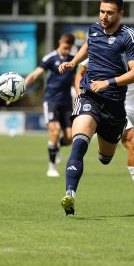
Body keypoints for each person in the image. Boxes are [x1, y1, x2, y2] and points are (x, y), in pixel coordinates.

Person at [58, 0, 134, 215]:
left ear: (120, 13)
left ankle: (104, 150)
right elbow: (88, 45)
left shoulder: (129, 36)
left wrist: (108, 82)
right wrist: (73, 62)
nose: (104, 17)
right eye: (101, 11)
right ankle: (70, 195)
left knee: (106, 157)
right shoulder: (94, 28)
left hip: (114, 105)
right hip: (89, 96)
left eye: (109, 13)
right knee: (79, 142)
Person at [76, 58, 134, 205]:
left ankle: (104, 144)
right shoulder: (102, 47)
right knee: (133, 143)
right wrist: (81, 95)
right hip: (114, 105)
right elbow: (80, 73)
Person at [25, 33, 76, 177]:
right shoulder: (50, 58)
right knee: (55, 130)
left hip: (67, 103)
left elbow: (74, 80)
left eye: (69, 48)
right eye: (65, 47)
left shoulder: (73, 61)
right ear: (60, 42)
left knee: (70, 137)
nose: (66, 50)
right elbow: (35, 75)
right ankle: (51, 167)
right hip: (51, 101)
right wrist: (21, 88)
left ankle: (57, 145)